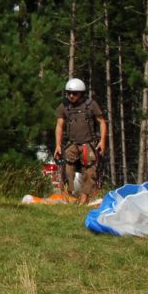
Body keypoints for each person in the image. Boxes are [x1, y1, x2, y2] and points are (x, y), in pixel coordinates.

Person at [54, 77, 107, 205]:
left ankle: (84, 200)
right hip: (71, 143)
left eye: (75, 93)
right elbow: (59, 126)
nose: (71, 96)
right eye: (69, 93)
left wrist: (102, 141)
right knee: (66, 169)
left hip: (88, 144)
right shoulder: (64, 106)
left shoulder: (91, 105)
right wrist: (57, 145)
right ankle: (67, 198)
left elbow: (102, 122)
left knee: (90, 171)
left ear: (81, 93)